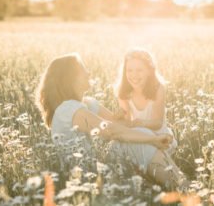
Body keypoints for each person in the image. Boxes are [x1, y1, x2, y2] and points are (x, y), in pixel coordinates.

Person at [35, 53, 187, 190]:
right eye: (83, 70)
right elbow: (111, 131)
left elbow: (119, 124)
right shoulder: (68, 109)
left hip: (101, 163)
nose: (88, 73)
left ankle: (175, 186)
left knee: (141, 135)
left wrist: (125, 118)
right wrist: (153, 139)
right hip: (86, 175)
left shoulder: (87, 103)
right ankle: (184, 190)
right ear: (70, 78)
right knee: (141, 139)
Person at [114, 48, 177, 154]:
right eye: (129, 70)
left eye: (139, 70)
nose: (134, 75)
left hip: (160, 137)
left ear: (149, 71)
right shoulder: (124, 92)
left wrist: (141, 124)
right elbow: (128, 122)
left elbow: (158, 123)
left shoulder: (158, 89)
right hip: (140, 136)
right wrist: (119, 119)